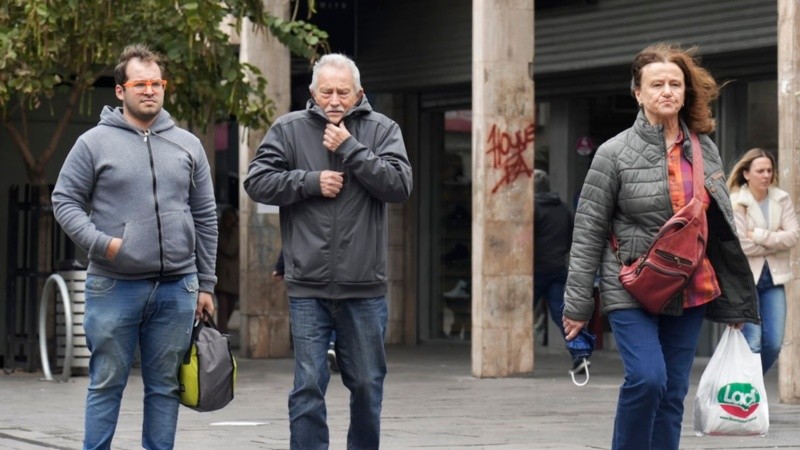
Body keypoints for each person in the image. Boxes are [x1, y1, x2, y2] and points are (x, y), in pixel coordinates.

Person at [562, 43, 759, 450]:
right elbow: (588, 231)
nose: (666, 91)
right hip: (632, 283)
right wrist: (578, 306)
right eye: (656, 84)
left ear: (686, 91)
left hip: (690, 286)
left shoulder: (705, 148)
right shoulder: (612, 154)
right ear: (637, 92)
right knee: (647, 379)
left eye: (675, 83)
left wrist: (736, 302)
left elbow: (719, 229)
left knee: (671, 393)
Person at [51, 44, 217, 450]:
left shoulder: (188, 145)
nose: (150, 90)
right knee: (106, 384)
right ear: (120, 91)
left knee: (164, 388)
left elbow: (206, 215)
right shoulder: (93, 143)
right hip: (114, 285)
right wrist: (101, 244)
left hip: (178, 287)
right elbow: (64, 201)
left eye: (156, 83)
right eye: (140, 83)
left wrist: (207, 282)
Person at [244, 53, 413, 449]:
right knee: (307, 385)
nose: (334, 100)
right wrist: (309, 181)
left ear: (359, 94)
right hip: (308, 285)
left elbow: (400, 187)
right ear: (312, 93)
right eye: (326, 91)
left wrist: (352, 149)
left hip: (364, 286)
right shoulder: (288, 129)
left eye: (343, 92)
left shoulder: (383, 130)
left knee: (368, 386)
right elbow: (257, 182)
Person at [727, 148, 800, 374]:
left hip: (774, 279)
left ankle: (750, 385)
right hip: (746, 281)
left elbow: (794, 236)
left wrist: (757, 235)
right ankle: (747, 391)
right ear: (747, 174)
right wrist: (775, 238)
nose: (766, 175)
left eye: (769, 170)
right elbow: (741, 243)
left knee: (774, 343)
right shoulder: (737, 201)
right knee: (753, 342)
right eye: (760, 171)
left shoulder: (781, 198)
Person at [533, 169, 584, 372]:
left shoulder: (533, 209)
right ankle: (580, 355)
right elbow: (573, 236)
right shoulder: (563, 209)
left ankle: (503, 358)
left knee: (518, 315)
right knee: (562, 314)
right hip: (556, 269)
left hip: (535, 271)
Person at [274, 250, 339, 373]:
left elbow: (290, 244)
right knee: (336, 314)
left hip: (309, 279)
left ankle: (327, 346)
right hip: (340, 278)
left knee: (319, 320)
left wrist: (280, 267)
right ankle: (332, 343)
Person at [216, 206, 240, 334]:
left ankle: (221, 334)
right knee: (223, 313)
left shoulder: (235, 231)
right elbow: (230, 249)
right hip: (223, 280)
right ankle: (221, 336)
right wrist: (235, 229)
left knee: (230, 308)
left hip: (234, 280)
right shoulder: (221, 232)